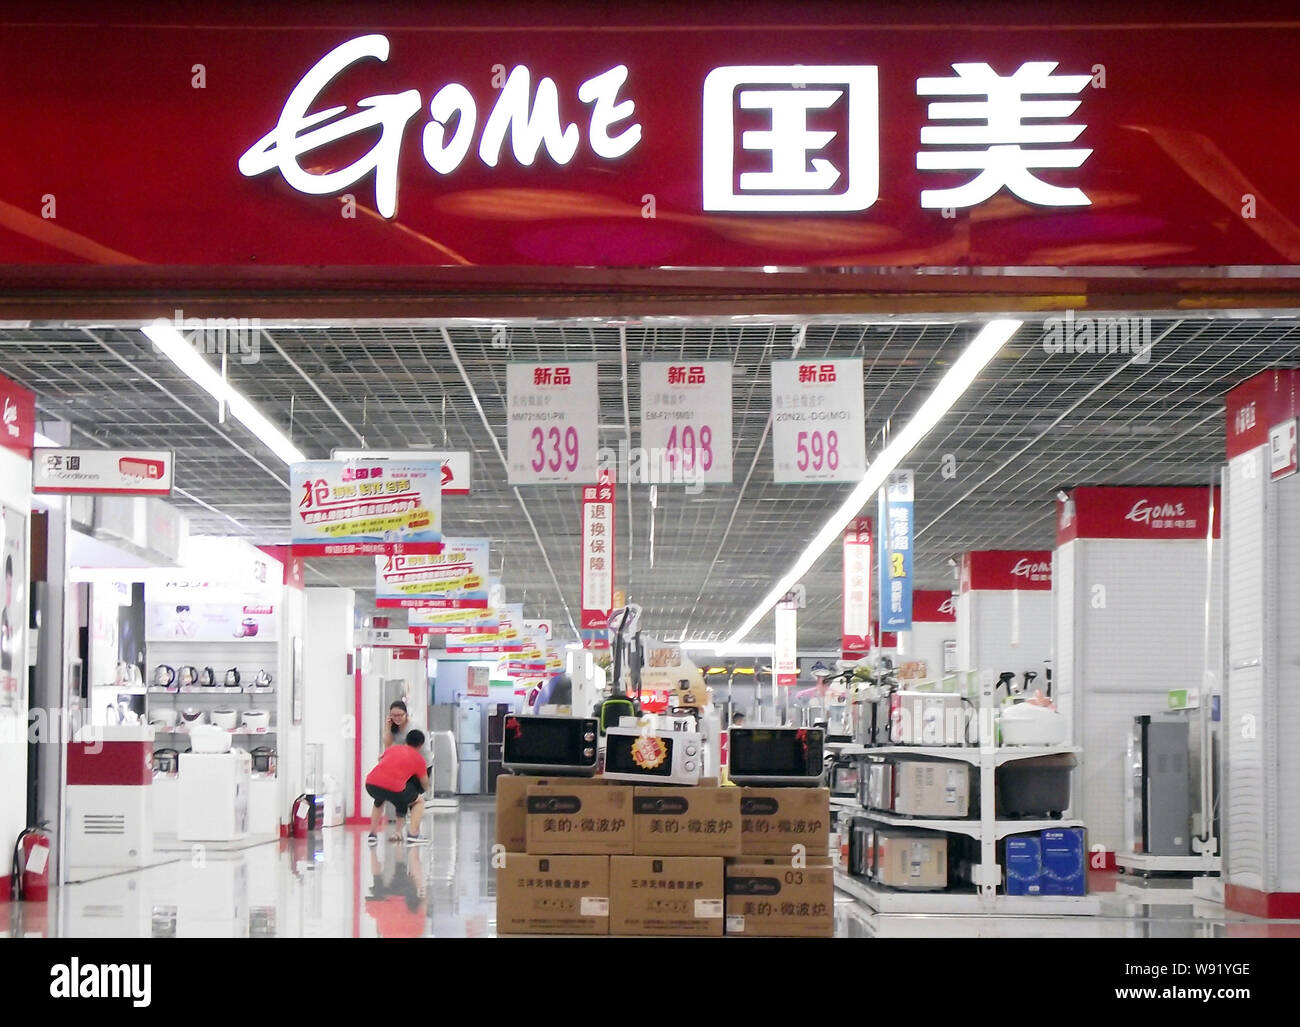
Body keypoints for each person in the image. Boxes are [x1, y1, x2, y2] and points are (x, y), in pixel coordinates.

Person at [365, 729, 430, 846]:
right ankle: (413, 834)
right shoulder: (419, 759)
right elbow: (424, 782)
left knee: (380, 800)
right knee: (418, 800)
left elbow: (380, 759)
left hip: (371, 783)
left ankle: (373, 835)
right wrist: (426, 790)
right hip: (394, 788)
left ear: (406, 740)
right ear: (420, 745)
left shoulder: (392, 749)